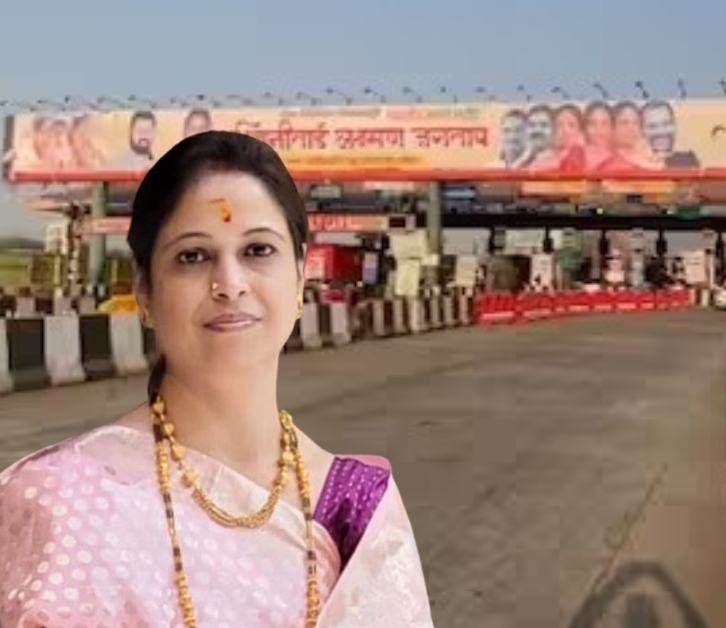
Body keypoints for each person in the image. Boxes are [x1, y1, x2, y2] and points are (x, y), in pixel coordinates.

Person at [0, 131, 433, 627]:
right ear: (143, 290)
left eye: (258, 250)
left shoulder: (354, 509)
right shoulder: (59, 501)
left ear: (299, 277)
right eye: (193, 256)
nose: (230, 284)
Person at [641, 100, 699, 168]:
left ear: (674, 126)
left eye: (666, 124)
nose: (661, 131)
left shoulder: (688, 161)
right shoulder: (632, 165)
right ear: (642, 130)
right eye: (652, 126)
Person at [583, 101, 615, 170]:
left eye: (604, 123)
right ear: (585, 128)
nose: (598, 129)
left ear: (612, 127)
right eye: (592, 123)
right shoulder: (575, 158)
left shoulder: (620, 159)